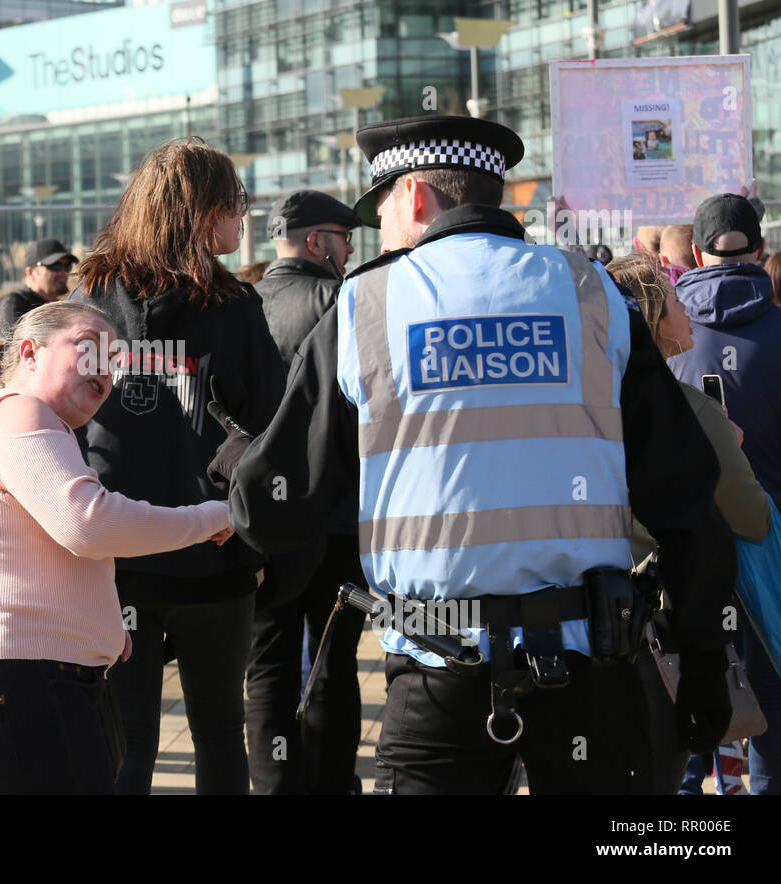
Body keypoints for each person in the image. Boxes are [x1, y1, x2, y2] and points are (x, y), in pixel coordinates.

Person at [227, 114, 736, 794]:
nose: (380, 234)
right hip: (587, 674)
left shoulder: (365, 307)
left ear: (413, 197)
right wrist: (703, 658)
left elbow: (275, 506)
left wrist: (234, 462)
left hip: (438, 683)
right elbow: (685, 496)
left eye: (379, 213)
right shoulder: (593, 297)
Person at [0, 301, 233, 793]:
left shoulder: (6, 422)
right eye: (88, 348)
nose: (107, 369)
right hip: (9, 687)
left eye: (114, 360)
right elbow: (88, 523)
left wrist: (96, 624)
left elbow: (25, 553)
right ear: (30, 352)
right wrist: (212, 516)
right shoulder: (21, 409)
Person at [68, 136, 286, 794]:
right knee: (220, 732)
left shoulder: (91, 297)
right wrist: (260, 530)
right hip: (213, 552)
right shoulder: (236, 309)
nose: (243, 217)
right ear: (199, 213)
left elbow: (59, 421)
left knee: (127, 739)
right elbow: (273, 431)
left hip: (118, 554)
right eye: (235, 203)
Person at [606, 253, 772, 793]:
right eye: (676, 302)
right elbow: (751, 517)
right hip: (666, 632)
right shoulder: (692, 412)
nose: (687, 311)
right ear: (654, 319)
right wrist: (729, 449)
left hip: (584, 627)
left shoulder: (583, 405)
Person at [244, 189, 364, 794]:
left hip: (265, 513)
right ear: (317, 242)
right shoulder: (343, 301)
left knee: (268, 661)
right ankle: (331, 783)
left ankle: (274, 783)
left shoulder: (244, 304)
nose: (349, 251)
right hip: (337, 512)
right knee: (332, 662)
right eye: (343, 239)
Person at [669, 192, 781, 794]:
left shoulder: (665, 341)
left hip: (685, 551)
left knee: (684, 692)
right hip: (771, 547)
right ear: (760, 252)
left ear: (694, 253)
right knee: (769, 704)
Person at [0, 238, 77, 337]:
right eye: (55, 266)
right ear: (30, 272)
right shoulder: (13, 304)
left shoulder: (61, 306)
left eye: (67, 266)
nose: (63, 272)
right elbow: (6, 349)